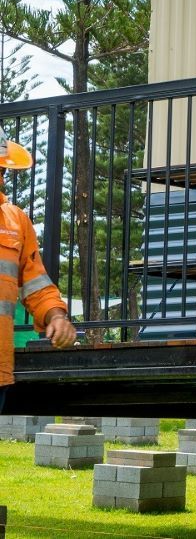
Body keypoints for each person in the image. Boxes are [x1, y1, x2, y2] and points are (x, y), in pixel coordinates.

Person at [0, 131, 76, 411]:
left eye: (1, 171)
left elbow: (36, 285)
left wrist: (56, 316)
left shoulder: (15, 222)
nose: (2, 179)